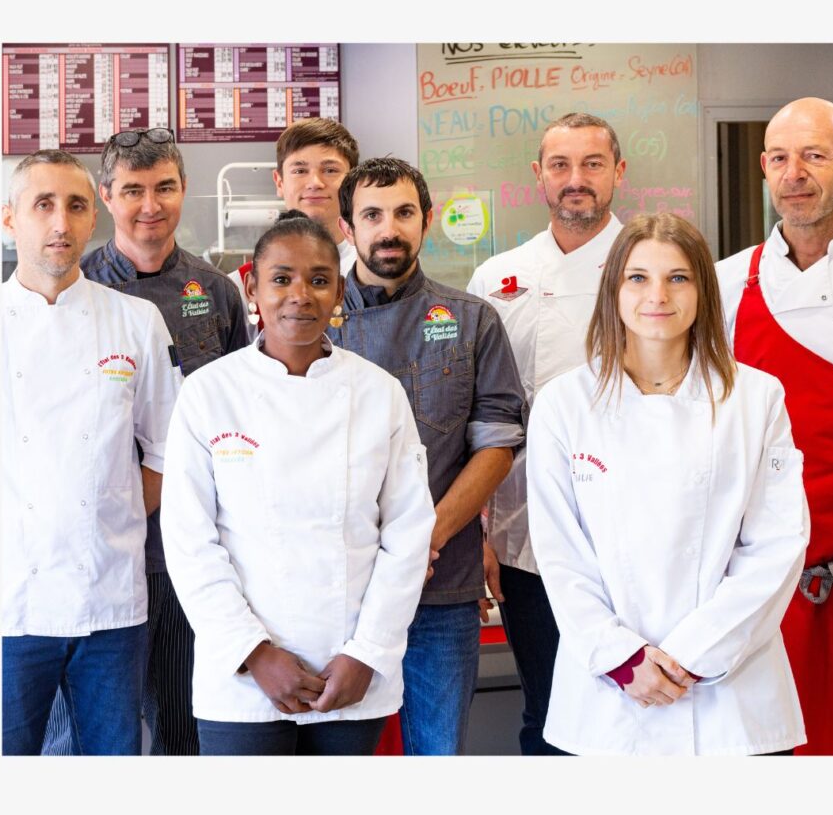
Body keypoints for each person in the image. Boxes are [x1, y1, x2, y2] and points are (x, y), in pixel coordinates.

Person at [526, 212, 809, 755]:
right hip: (608, 700)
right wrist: (622, 658)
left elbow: (777, 545)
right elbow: (560, 553)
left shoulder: (756, 398)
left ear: (704, 290)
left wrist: (694, 656)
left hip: (730, 700)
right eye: (638, 277)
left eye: (678, 277)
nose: (657, 295)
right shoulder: (564, 404)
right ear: (613, 289)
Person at [159, 211, 436, 756]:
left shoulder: (379, 393)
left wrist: (367, 653)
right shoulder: (209, 393)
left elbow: (408, 534)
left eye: (319, 279)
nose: (300, 295)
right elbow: (189, 541)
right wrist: (254, 653)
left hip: (349, 673)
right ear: (252, 289)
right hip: (242, 680)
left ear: (339, 293)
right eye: (281, 279)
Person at [42, 127, 248, 756]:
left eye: (164, 187)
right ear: (107, 196)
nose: (150, 205)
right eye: (133, 190)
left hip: (191, 551)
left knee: (185, 729)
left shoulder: (217, 292)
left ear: (184, 189)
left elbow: (242, 417)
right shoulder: (71, 288)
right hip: (93, 557)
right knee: (81, 738)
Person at [329, 157, 528, 755]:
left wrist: (421, 541)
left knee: (437, 755)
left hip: (440, 588)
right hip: (334, 590)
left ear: (427, 219)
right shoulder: (311, 323)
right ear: (347, 227)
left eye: (404, 213)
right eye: (372, 215)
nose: (389, 229)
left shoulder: (472, 320)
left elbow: (497, 444)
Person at [1, 149, 181, 755]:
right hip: (5, 600)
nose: (61, 222)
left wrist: (110, 515)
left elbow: (167, 450)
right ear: (9, 218)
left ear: (92, 218)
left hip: (109, 598)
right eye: (42, 205)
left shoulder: (137, 321)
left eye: (76, 205)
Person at [466, 111, 625, 755]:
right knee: (548, 709)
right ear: (539, 175)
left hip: (630, 534)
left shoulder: (649, 266)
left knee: (630, 708)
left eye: (592, 164)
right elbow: (476, 413)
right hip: (523, 531)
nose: (575, 179)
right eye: (560, 165)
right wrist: (477, 531)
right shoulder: (496, 277)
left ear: (619, 172)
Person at [715, 97, 833, 755]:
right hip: (767, 589)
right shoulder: (723, 284)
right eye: (779, 158)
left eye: (814, 155)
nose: (794, 173)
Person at [230, 117, 360, 339]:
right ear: (279, 182)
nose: (315, 182)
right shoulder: (240, 285)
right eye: (300, 171)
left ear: (353, 182)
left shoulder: (372, 272)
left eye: (330, 170)